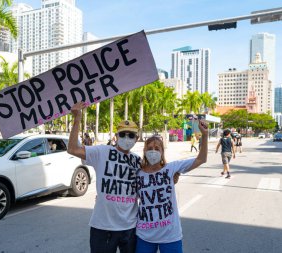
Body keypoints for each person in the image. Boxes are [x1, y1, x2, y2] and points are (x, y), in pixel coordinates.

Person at [67, 102, 141, 253]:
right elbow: (72, 148)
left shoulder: (139, 161)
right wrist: (77, 119)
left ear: (137, 138)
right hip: (102, 226)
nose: (127, 138)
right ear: (116, 136)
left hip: (130, 227)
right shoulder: (101, 152)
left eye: (131, 135)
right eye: (122, 134)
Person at [135, 120, 208, 253]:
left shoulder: (171, 168)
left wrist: (205, 135)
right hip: (144, 235)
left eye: (157, 149)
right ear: (144, 151)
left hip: (170, 235)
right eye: (149, 148)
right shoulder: (137, 173)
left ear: (162, 152)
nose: (153, 151)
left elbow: (201, 159)